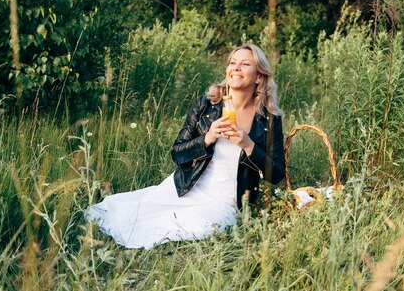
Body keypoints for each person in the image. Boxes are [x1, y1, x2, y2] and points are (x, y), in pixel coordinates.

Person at [86, 44, 285, 249]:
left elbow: (277, 174)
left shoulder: (269, 120)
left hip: (226, 200)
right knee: (133, 213)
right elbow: (177, 152)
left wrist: (249, 145)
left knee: (203, 224)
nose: (236, 68)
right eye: (232, 63)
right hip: (189, 186)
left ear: (259, 76)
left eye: (245, 64)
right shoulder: (207, 104)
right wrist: (206, 139)